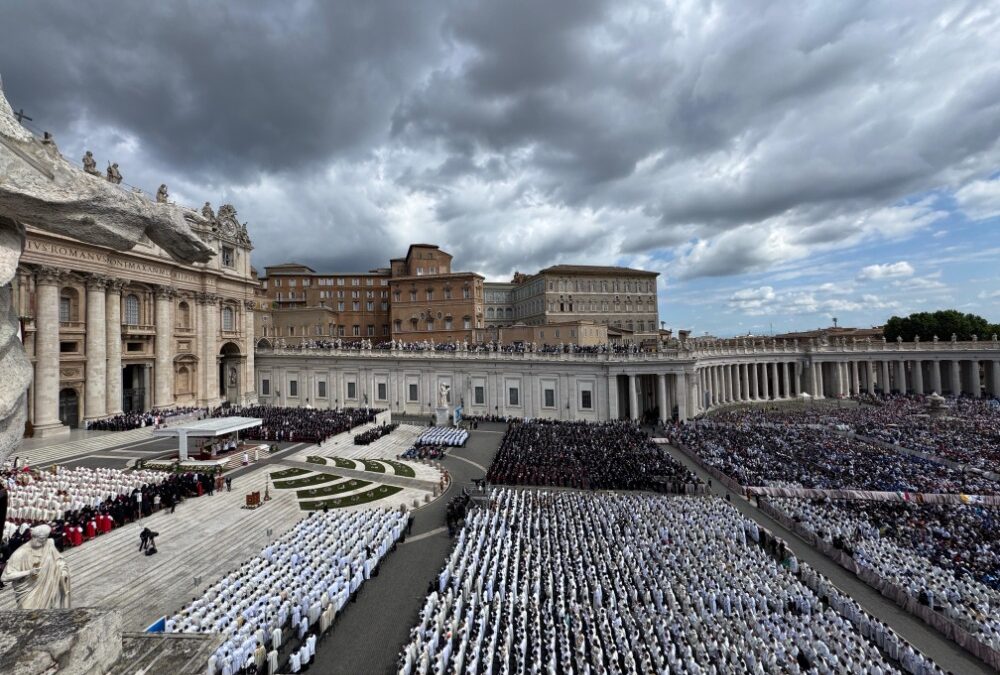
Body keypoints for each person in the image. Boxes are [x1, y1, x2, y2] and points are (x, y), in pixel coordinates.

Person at [0, 524, 71, 609]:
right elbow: (4, 577)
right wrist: (28, 572)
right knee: (29, 618)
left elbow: (59, 561)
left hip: (44, 591)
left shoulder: (47, 547)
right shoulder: (19, 554)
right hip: (27, 595)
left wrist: (63, 572)